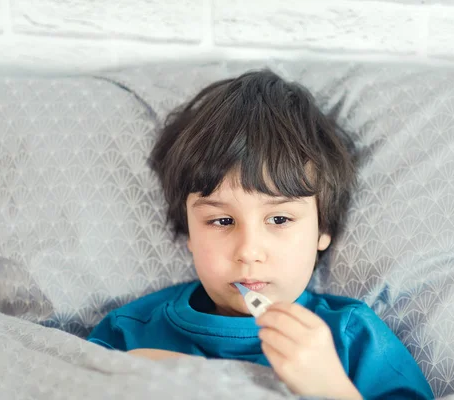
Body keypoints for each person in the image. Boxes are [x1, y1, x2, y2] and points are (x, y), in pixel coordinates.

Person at [87, 69, 433, 400]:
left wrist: (331, 388)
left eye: (280, 219)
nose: (249, 251)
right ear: (188, 232)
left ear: (322, 230)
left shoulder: (352, 337)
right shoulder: (127, 333)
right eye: (222, 222)